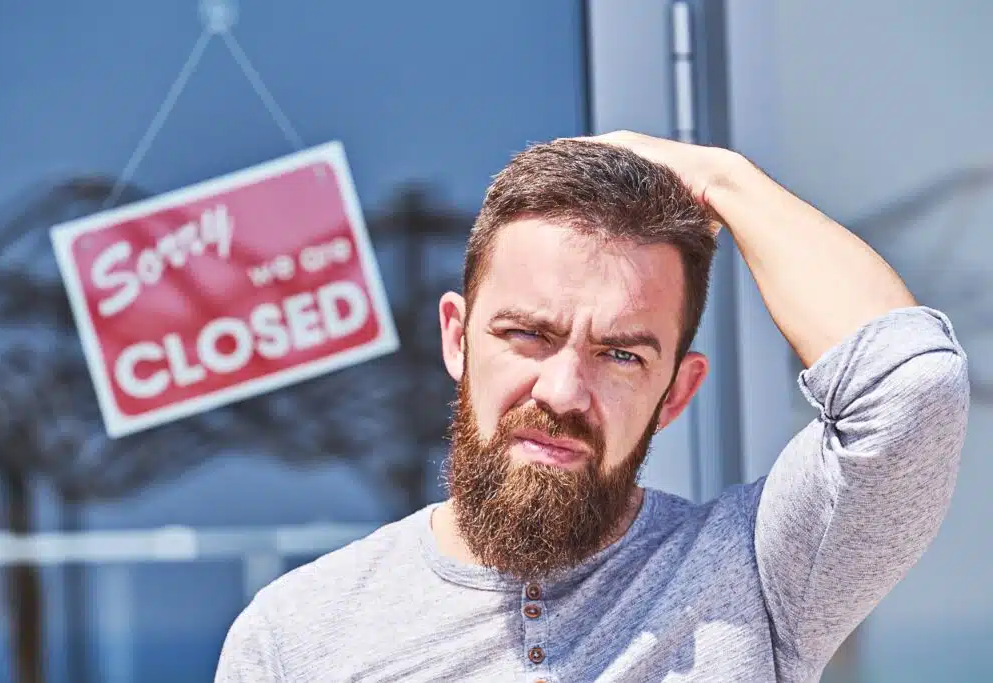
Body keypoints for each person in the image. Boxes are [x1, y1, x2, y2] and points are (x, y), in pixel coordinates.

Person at [214, 132, 969, 682]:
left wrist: (720, 179)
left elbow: (911, 389)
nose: (563, 392)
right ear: (457, 338)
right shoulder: (300, 636)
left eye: (621, 354)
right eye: (528, 334)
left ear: (677, 391)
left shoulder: (757, 576)